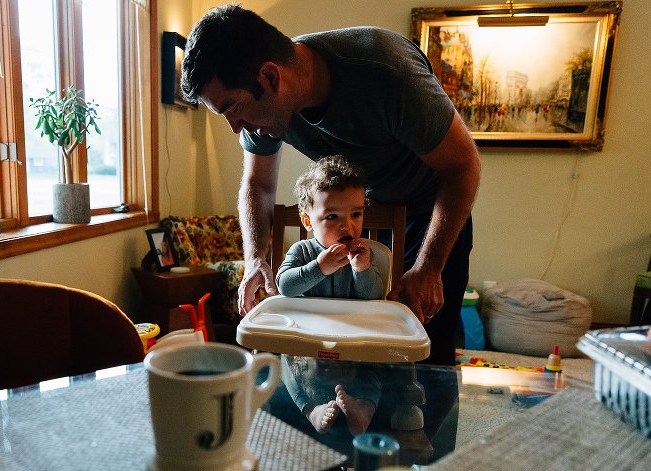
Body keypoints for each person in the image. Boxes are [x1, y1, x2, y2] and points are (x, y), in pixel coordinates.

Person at [181, 5, 481, 369]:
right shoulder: (265, 114)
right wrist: (255, 257)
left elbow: (463, 166)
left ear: (270, 77)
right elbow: (258, 184)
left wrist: (430, 267)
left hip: (433, 211)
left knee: (424, 357)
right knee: (360, 356)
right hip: (364, 212)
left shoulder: (387, 72)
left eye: (234, 108)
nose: (235, 128)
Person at [277, 155, 383, 437]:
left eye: (356, 214)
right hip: (309, 347)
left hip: (354, 344)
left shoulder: (364, 254)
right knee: (286, 365)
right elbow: (285, 285)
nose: (347, 226)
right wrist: (318, 268)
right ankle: (310, 407)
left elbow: (374, 299)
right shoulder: (301, 252)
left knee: (378, 367)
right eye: (333, 217)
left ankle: (364, 409)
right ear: (307, 220)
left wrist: (362, 269)